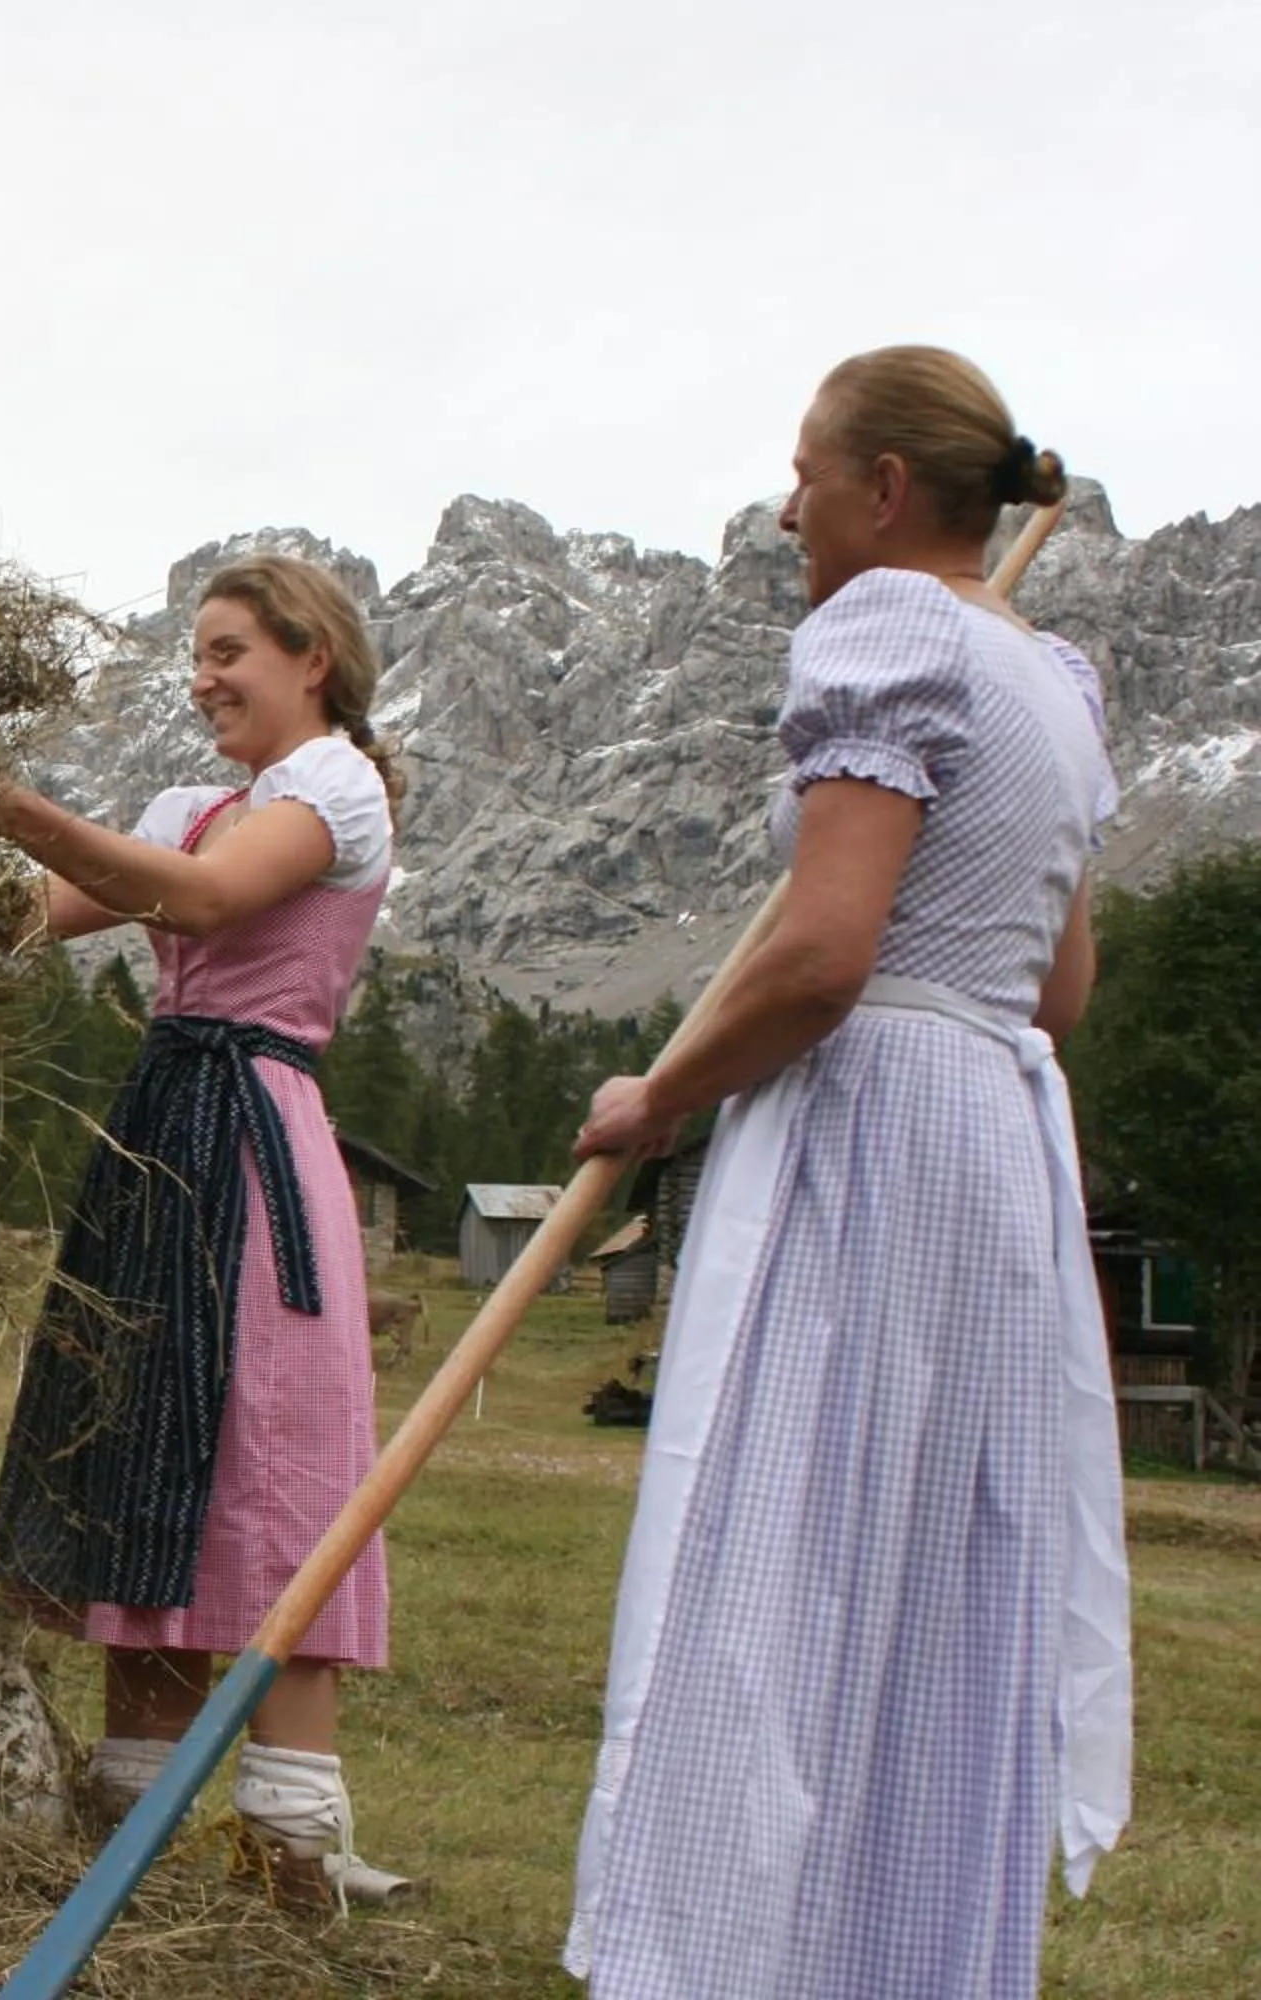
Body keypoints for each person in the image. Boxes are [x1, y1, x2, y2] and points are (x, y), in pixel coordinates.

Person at [564, 346, 1132, 1998]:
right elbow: (1061, 990)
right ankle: (892, 1951)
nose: (789, 502)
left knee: (782, 1549)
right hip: (994, 1145)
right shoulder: (1049, 676)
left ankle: (731, 1953)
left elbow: (821, 952)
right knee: (929, 1579)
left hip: (873, 1126)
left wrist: (658, 1094)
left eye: (806, 471)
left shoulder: (884, 628)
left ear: (887, 487)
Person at [0, 551, 414, 1912]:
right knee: (146, 1444)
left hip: (252, 1134)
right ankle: (130, 1828)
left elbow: (210, 900)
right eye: (198, 652)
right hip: (158, 1127)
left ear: (310, 659)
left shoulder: (335, 788)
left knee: (271, 1452)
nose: (203, 675)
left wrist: (7, 804)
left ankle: (291, 1843)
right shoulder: (192, 804)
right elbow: (38, 916)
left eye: (229, 649)